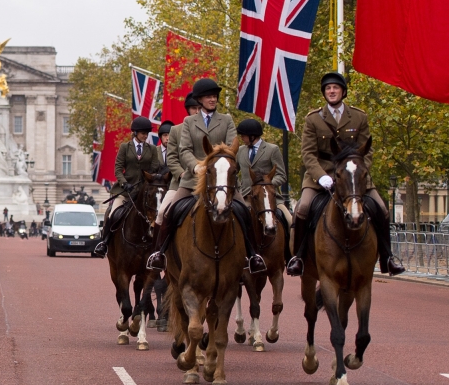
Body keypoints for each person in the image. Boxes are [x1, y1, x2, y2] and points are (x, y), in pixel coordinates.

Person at [286, 71, 405, 277]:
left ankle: (387, 257)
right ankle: (298, 257)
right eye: (328, 88)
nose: (331, 91)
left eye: (335, 88)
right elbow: (308, 153)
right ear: (324, 93)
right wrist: (321, 176)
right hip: (321, 176)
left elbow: (367, 151)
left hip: (354, 177)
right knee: (302, 209)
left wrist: (361, 173)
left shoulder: (359, 117)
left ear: (343, 91)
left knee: (382, 210)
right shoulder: (314, 119)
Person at [145, 78, 267, 274]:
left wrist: (218, 164)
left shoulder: (226, 120)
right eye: (209, 96)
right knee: (165, 212)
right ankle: (158, 254)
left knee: (244, 211)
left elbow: (231, 146)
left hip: (221, 179)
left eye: (214, 96)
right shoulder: (188, 122)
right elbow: (184, 150)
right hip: (193, 179)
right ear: (199, 99)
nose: (213, 99)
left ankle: (252, 256)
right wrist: (196, 167)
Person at [93, 116, 162, 256]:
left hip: (144, 190)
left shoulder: (152, 149)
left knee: (157, 213)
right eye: (143, 133)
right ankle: (104, 243)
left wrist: (146, 179)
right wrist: (124, 183)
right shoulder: (125, 147)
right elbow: (118, 168)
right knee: (113, 214)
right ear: (135, 132)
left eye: (146, 133)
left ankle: (159, 248)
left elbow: (155, 168)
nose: (145, 136)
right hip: (126, 190)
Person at [235, 118, 287, 200]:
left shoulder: (272, 149)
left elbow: (281, 176)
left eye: (243, 136)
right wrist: (239, 187)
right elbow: (233, 172)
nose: (241, 138)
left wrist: (266, 184)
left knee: (285, 213)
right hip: (245, 197)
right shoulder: (240, 150)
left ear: (252, 136)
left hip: (269, 196)